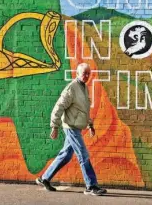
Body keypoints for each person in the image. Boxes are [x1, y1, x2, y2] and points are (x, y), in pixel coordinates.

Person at [36, 62, 107, 196]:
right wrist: (54, 126)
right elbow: (59, 106)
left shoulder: (83, 88)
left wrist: (90, 125)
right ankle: (91, 186)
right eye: (84, 73)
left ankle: (44, 178)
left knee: (65, 155)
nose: (86, 76)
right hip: (71, 127)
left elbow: (83, 110)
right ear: (77, 73)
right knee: (83, 155)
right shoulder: (72, 88)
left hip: (76, 127)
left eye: (88, 73)